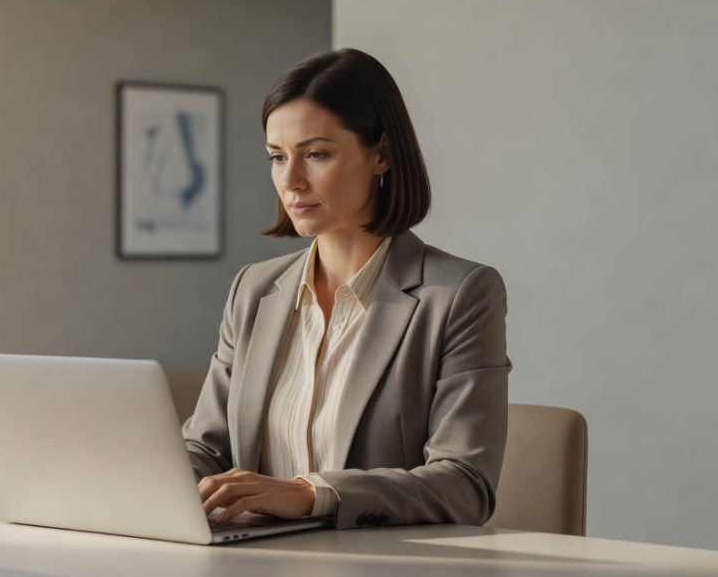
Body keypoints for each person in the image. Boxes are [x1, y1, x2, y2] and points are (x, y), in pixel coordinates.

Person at [182, 48, 510, 530]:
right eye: (277, 157)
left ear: (381, 155)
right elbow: (206, 448)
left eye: (316, 154)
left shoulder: (460, 294)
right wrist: (164, 484)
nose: (290, 181)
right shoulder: (253, 289)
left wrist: (311, 493)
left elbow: (465, 484)